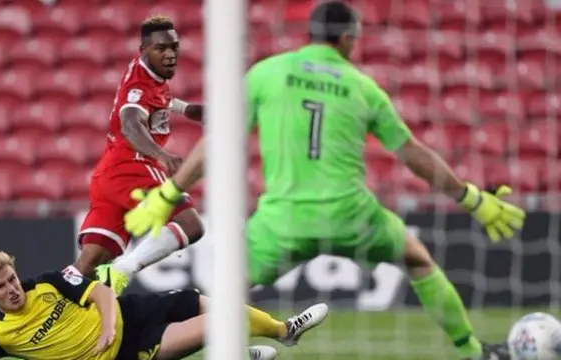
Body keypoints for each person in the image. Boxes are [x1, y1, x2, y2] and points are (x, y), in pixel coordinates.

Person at [118, 2, 525, 360]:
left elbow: (220, 140)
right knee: (418, 261)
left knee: (223, 293)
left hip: (281, 222)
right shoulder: (363, 87)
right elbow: (413, 154)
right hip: (353, 214)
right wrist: (472, 198)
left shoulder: (267, 73)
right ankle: (474, 352)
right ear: (347, 39)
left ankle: (215, 352)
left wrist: (169, 193)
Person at [0, 250, 329, 360]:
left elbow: (98, 292)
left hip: (129, 315)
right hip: (127, 351)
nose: (12, 289)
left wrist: (108, 324)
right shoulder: (0, 336)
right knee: (220, 321)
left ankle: (283, 332)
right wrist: (111, 336)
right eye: (0, 287)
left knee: (204, 302)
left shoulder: (46, 284)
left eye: (11, 278)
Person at [74, 15, 208, 294]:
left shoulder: (148, 74)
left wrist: (188, 110)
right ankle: (123, 269)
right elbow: (131, 124)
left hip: (108, 172)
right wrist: (161, 154)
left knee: (87, 266)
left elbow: (158, 98)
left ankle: (47, 309)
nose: (170, 55)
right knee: (191, 225)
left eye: (174, 47)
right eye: (161, 49)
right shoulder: (138, 85)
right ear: (143, 50)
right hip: (132, 167)